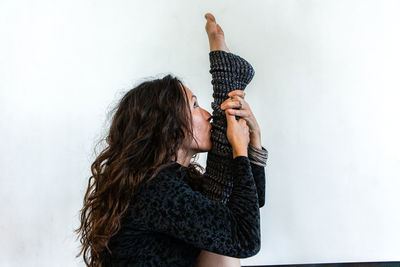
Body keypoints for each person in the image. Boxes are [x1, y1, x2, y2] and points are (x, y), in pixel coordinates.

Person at [75, 12, 268, 267]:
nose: (209, 114)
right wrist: (240, 153)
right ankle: (227, 76)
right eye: (195, 105)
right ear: (168, 127)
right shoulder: (157, 191)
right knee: (225, 251)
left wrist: (254, 143)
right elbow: (245, 238)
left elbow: (252, 201)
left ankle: (228, 76)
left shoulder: (174, 179)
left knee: (219, 199)